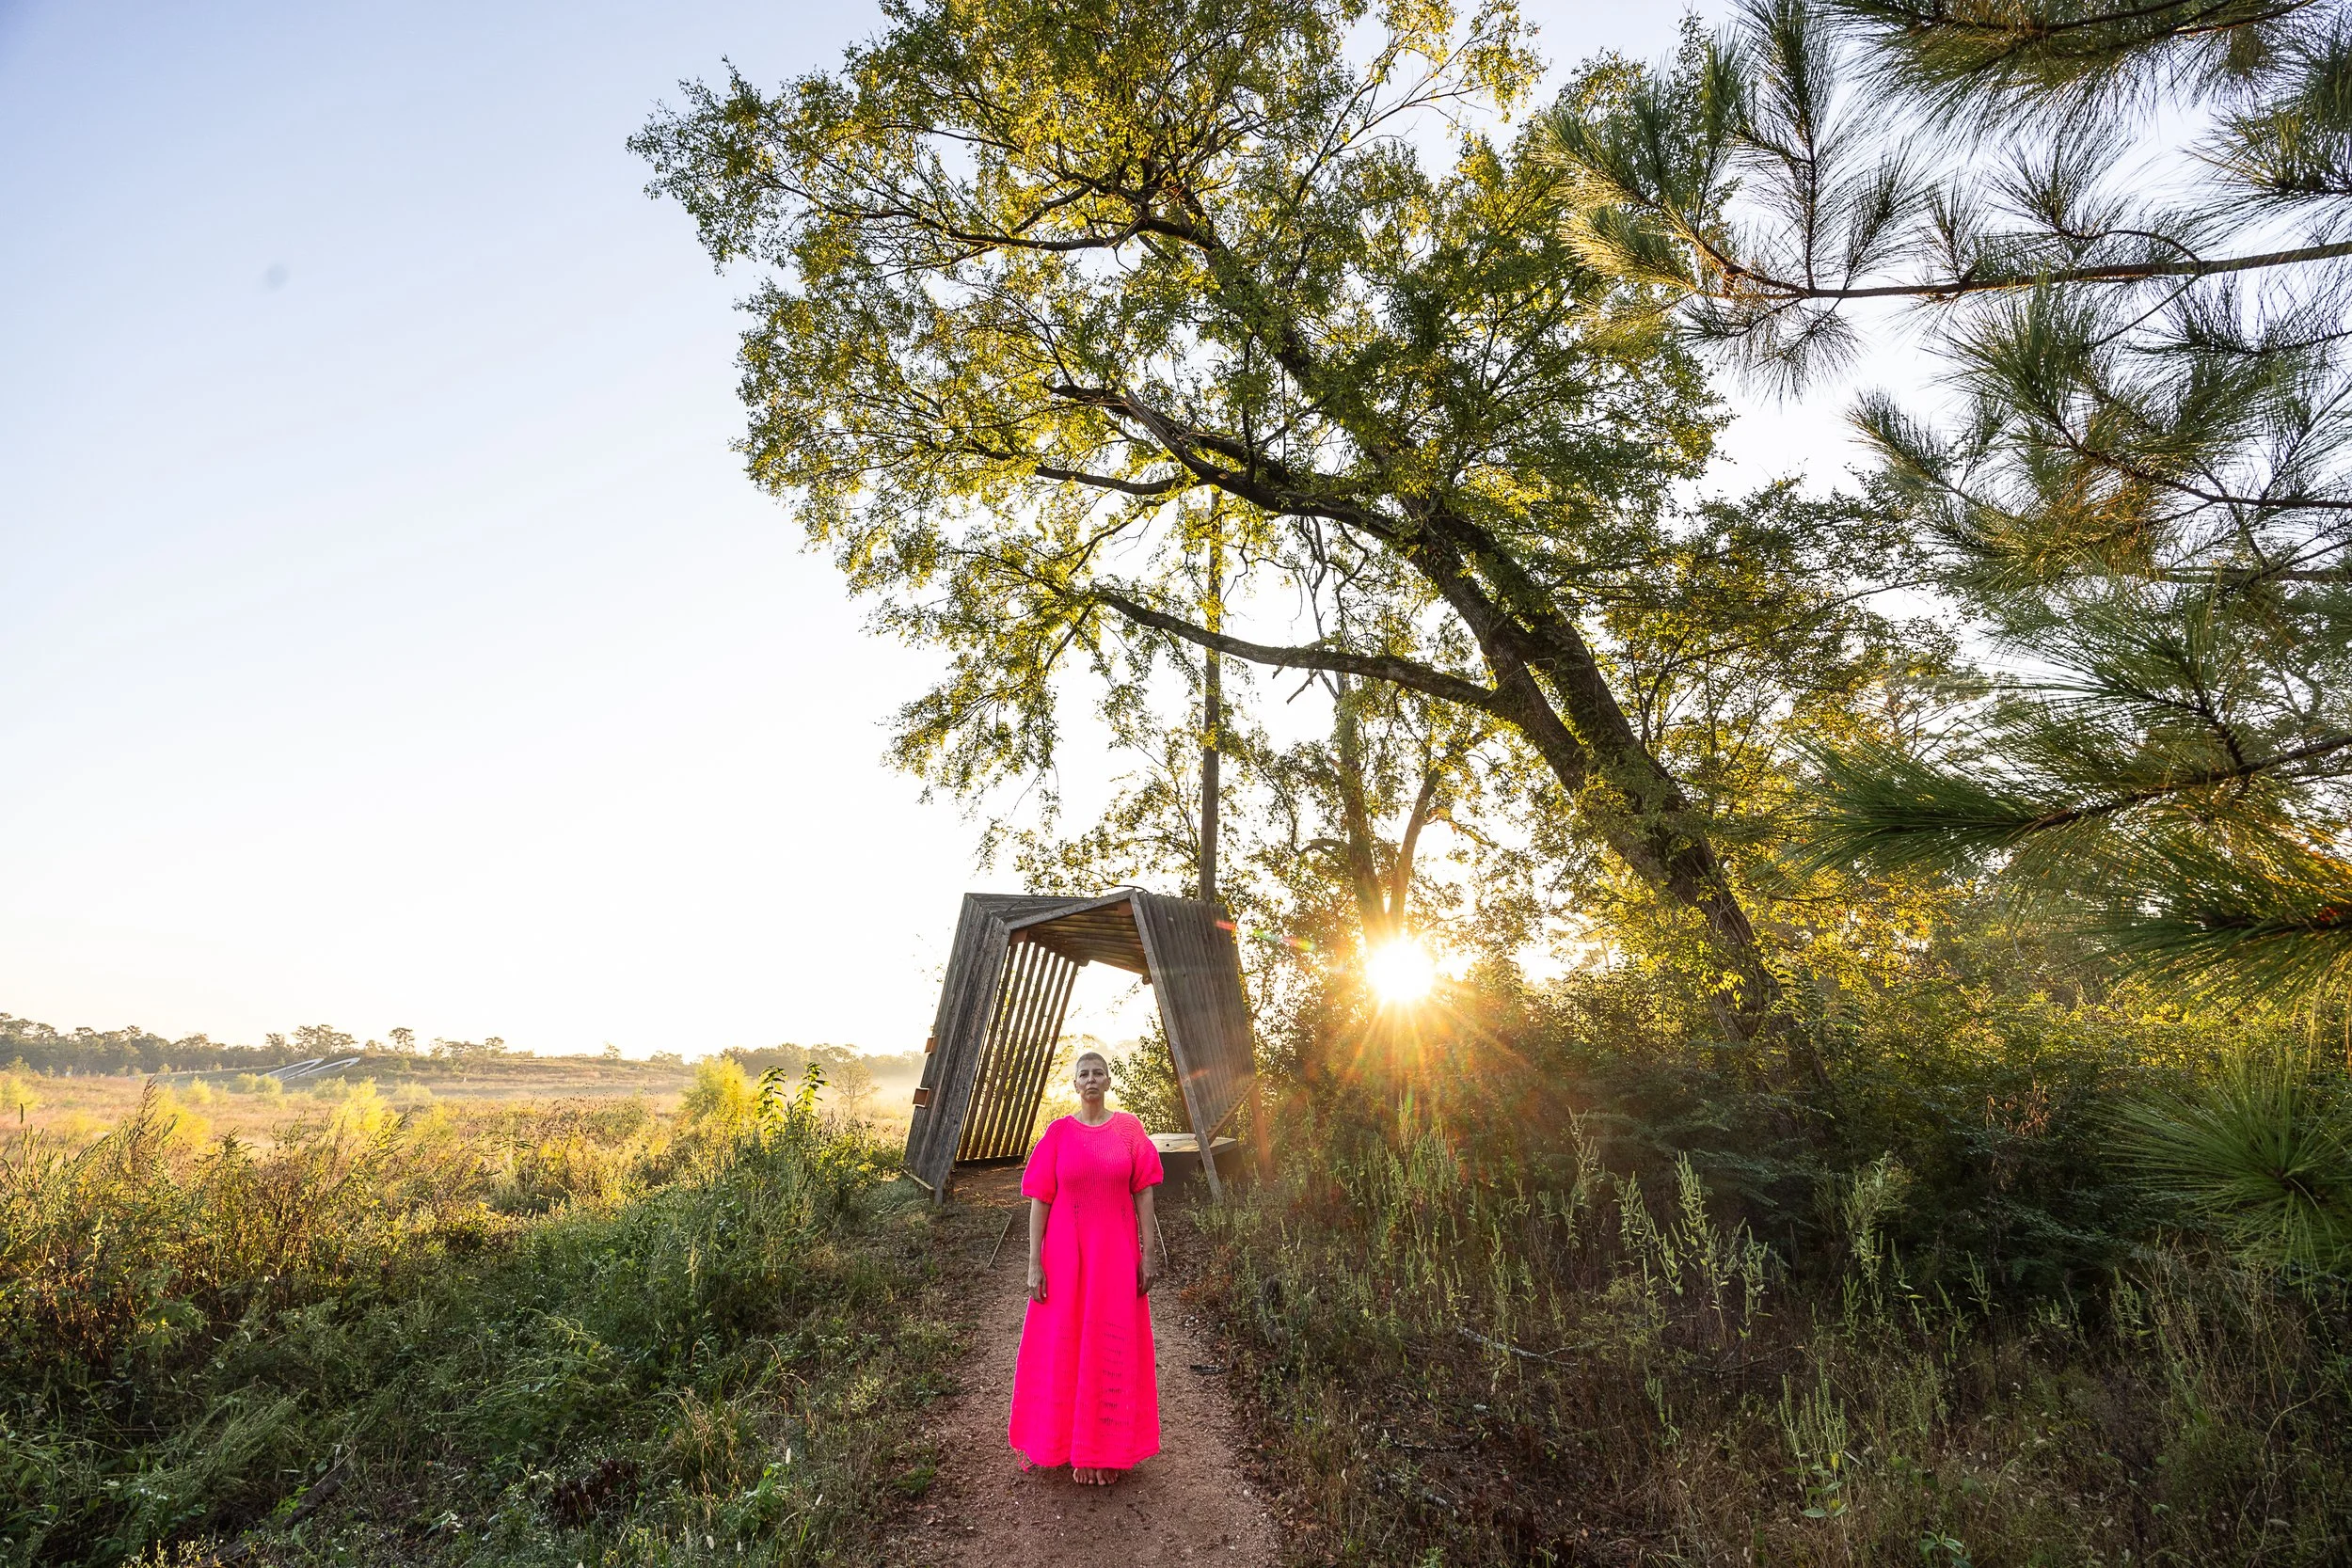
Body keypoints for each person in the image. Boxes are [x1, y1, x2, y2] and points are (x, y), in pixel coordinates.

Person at [1008, 1049, 1165, 1483]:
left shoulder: (1130, 1130)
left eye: (1098, 1073)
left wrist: (1148, 1253)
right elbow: (1040, 1199)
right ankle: (1067, 1445)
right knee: (1066, 1342)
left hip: (1114, 1255)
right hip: (1065, 1256)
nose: (1091, 1080)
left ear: (1108, 1081)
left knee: (1109, 1345)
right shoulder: (1057, 1134)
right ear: (1075, 1085)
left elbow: (1145, 1193)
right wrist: (1034, 1262)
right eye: (1083, 1074)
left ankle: (1104, 1451)